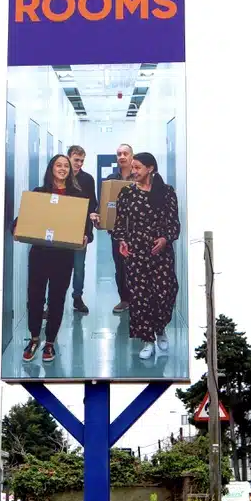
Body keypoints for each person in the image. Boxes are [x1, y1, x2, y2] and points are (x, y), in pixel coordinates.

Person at [12, 154, 91, 364]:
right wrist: (16, 228)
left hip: (63, 256)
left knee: (57, 299)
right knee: (35, 298)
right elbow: (23, 219)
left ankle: (50, 343)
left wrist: (86, 237)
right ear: (52, 168)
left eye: (66, 166)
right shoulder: (39, 193)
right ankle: (35, 338)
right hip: (39, 254)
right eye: (59, 165)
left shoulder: (76, 196)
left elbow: (86, 227)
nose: (63, 169)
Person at [112, 152, 181, 359]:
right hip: (136, 253)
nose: (133, 172)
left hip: (161, 254)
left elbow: (174, 223)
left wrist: (165, 239)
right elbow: (120, 222)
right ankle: (147, 340)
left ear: (150, 168)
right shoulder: (126, 193)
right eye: (132, 167)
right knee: (140, 297)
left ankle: (160, 329)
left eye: (137, 168)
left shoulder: (167, 193)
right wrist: (122, 241)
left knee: (164, 294)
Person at [67, 145, 99, 314]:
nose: (79, 164)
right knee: (58, 267)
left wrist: (88, 232)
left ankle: (77, 298)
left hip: (80, 231)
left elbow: (92, 203)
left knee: (79, 268)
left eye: (81, 161)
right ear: (68, 158)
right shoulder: (60, 177)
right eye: (76, 160)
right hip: (61, 229)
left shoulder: (87, 179)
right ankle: (51, 303)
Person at [104, 143, 135, 314]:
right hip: (117, 232)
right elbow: (105, 204)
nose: (122, 156)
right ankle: (124, 300)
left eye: (125, 153)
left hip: (138, 231)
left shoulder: (139, 176)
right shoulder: (111, 179)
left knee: (137, 266)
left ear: (131, 156)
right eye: (119, 154)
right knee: (120, 267)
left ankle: (138, 300)